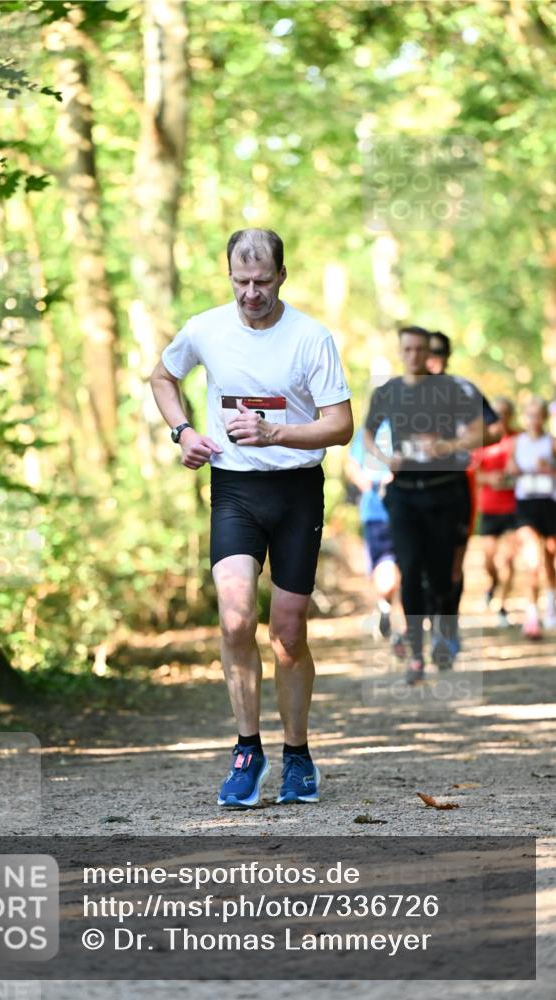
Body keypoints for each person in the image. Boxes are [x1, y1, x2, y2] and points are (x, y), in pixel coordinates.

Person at [150, 229, 353, 807]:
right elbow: (163, 377)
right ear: (229, 278)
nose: (251, 293)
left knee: (288, 632)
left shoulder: (311, 337)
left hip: (295, 491)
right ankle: (247, 749)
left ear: (282, 276)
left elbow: (340, 425)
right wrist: (182, 431)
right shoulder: (206, 328)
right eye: (241, 282)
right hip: (234, 489)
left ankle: (298, 755)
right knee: (236, 619)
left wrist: (275, 433)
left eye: (262, 282)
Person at [363, 326, 484, 684]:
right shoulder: (388, 392)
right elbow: (368, 433)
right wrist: (386, 457)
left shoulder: (449, 390)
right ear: (400, 351)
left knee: (442, 572)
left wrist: (447, 447)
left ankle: (444, 634)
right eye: (408, 349)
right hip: (404, 495)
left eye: (420, 350)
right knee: (410, 569)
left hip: (445, 492)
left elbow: (479, 430)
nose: (414, 356)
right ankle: (416, 653)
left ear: (428, 352)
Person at [425, 330, 500, 655]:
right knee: (420, 560)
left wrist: (458, 443)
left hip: (456, 484)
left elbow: (495, 429)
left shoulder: (463, 390)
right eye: (429, 353)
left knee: (453, 563)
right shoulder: (403, 391)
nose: (433, 359)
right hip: (412, 489)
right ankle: (429, 630)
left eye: (440, 353)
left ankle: (448, 625)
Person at [345, 425, 405, 654]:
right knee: (389, 575)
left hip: (408, 512)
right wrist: (369, 484)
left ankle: (401, 631)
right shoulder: (367, 432)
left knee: (405, 571)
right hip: (377, 513)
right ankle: (387, 607)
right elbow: (352, 465)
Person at [507, 397, 556, 638]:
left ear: (544, 419)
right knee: (533, 559)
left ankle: (551, 606)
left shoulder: (552, 443)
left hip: (549, 502)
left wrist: (550, 468)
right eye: (529, 415)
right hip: (526, 503)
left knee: (549, 559)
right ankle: (532, 613)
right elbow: (508, 469)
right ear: (524, 417)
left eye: (538, 415)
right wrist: (512, 470)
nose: (533, 420)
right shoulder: (517, 442)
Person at [472, 397, 518, 628]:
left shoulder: (518, 439)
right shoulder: (483, 440)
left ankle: (502, 604)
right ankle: (492, 586)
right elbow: (474, 475)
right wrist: (490, 478)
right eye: (496, 413)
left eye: (504, 413)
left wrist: (514, 476)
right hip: (489, 508)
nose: (500, 418)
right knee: (489, 562)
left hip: (514, 508)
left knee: (507, 560)